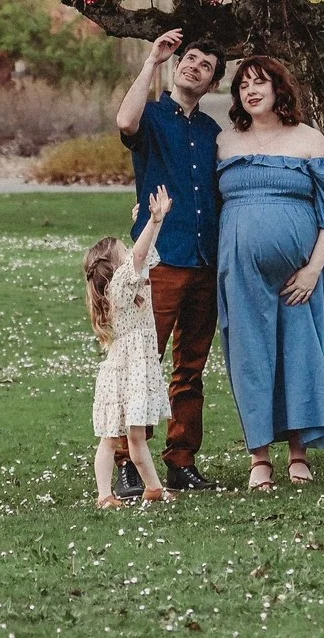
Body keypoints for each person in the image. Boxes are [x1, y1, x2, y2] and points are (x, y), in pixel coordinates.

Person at [215, 54, 324, 489]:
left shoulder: (309, 140)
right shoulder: (225, 143)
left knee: (300, 355)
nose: (251, 90)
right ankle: (258, 458)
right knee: (250, 359)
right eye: (243, 85)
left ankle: (299, 454)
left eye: (260, 82)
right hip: (240, 273)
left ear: (280, 89)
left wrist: (313, 271)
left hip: (301, 275)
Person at [112, 28, 227, 494]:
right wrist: (151, 61)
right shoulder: (153, 117)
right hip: (160, 259)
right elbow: (124, 121)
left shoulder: (211, 132)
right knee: (142, 362)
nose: (193, 66)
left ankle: (181, 460)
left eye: (205, 65)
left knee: (190, 367)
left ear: (213, 83)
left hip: (204, 261)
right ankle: (125, 462)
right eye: (190, 57)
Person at [84, 186, 177, 508]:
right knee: (111, 438)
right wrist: (151, 221)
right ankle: (104, 495)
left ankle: (153, 487)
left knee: (136, 436)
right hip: (125, 372)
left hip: (135, 368)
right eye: (123, 248)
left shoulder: (129, 280)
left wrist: (151, 224)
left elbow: (143, 252)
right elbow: (138, 256)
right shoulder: (121, 286)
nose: (131, 250)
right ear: (114, 266)